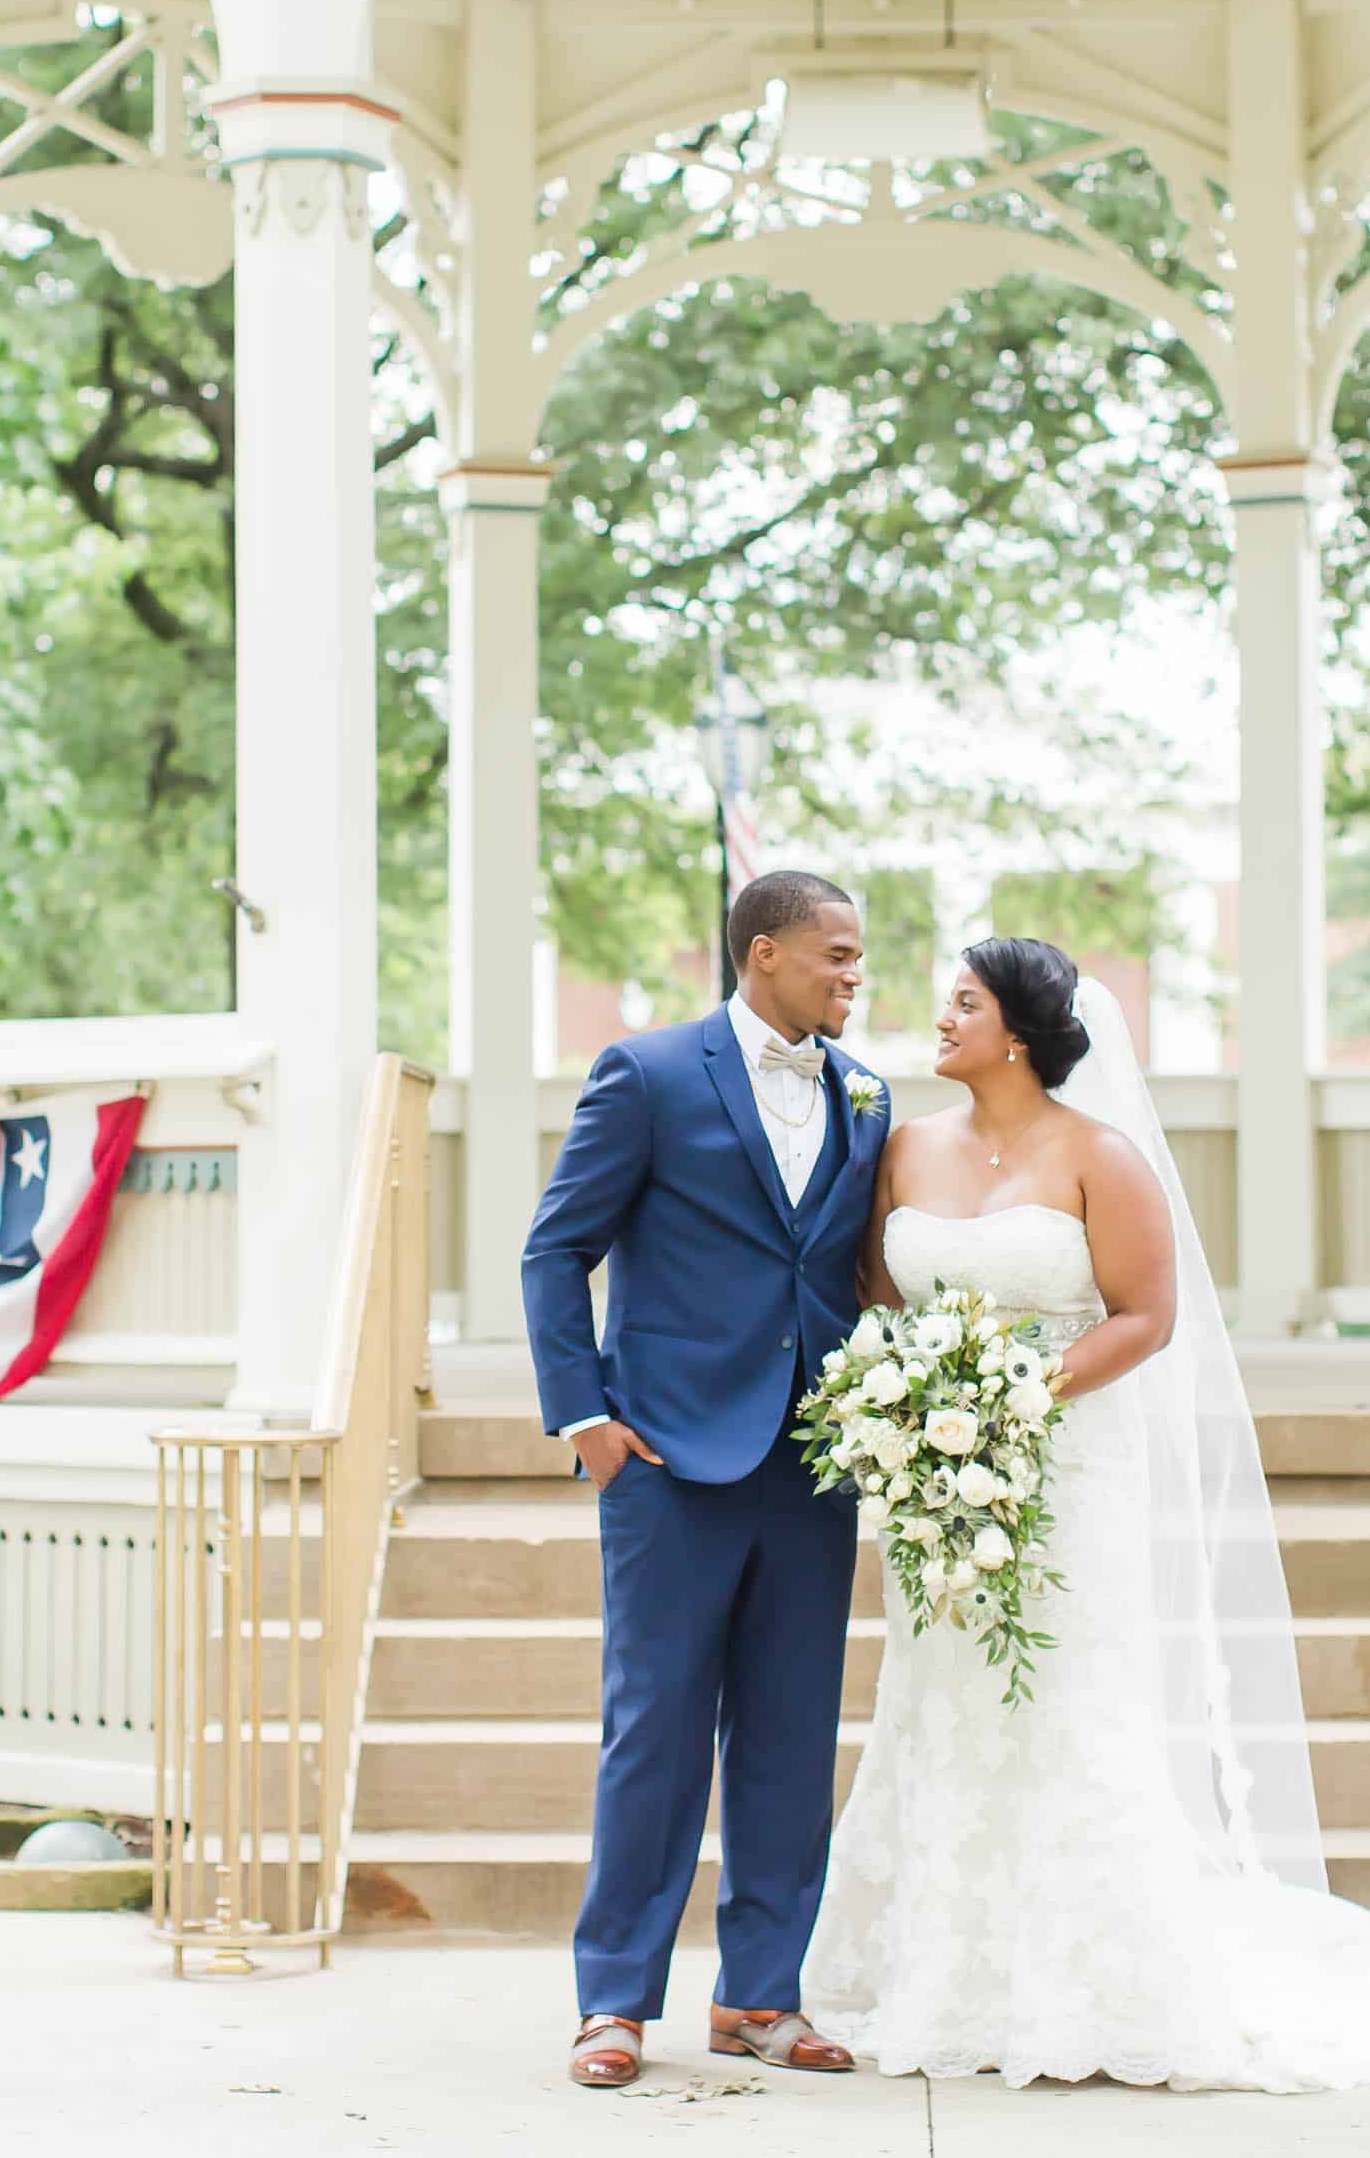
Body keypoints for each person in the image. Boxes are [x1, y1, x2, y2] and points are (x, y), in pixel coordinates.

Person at [801, 936, 1370, 2090]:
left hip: (1069, 1461)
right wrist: (918, 1400)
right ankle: (950, 1975)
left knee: (1071, 1701)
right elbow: (879, 1292)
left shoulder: (1100, 1156)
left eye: (963, 1003)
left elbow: (1145, 1315)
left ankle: (1098, 1984)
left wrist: (1023, 1394)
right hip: (935, 1474)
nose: (939, 1018)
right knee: (942, 1698)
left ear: (1019, 1033)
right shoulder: (906, 1147)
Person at [521, 869, 888, 2090]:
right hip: (669, 1458)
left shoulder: (868, 1094)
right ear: (763, 952)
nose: (852, 972)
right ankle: (613, 2001)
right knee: (656, 1731)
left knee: (788, 1736)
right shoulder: (648, 1074)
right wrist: (587, 1417)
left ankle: (760, 2000)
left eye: (857, 955)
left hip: (813, 1461)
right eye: (834, 953)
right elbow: (556, 1246)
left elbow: (848, 1268)